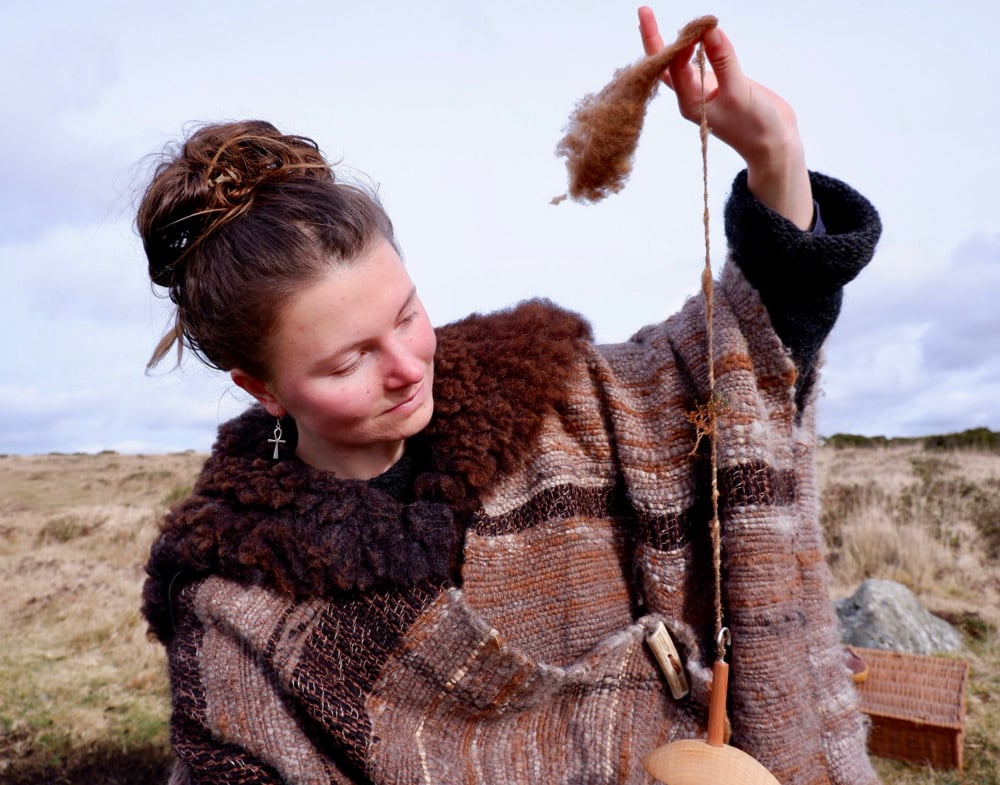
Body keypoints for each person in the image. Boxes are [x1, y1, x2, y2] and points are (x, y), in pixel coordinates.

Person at [139, 8, 881, 785]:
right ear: (261, 388)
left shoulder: (554, 406)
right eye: (350, 360)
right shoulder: (235, 606)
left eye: (407, 315)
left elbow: (740, 362)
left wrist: (775, 151)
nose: (406, 367)